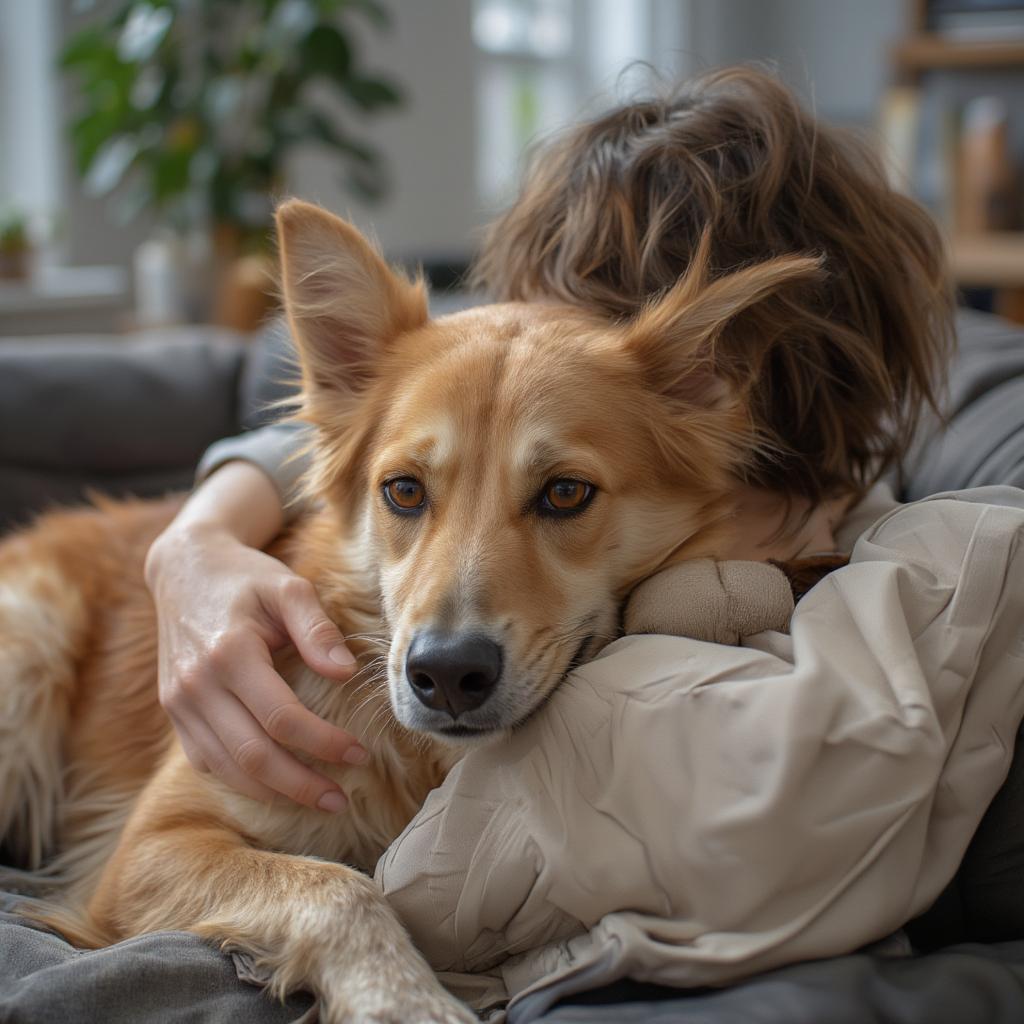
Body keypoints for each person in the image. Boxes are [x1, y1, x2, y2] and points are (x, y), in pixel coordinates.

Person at [144, 66, 953, 812]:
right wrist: (194, 539)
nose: (526, 339)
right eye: (524, 311)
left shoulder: (834, 568)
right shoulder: (484, 365)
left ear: (724, 371)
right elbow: (387, 426)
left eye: (576, 334)